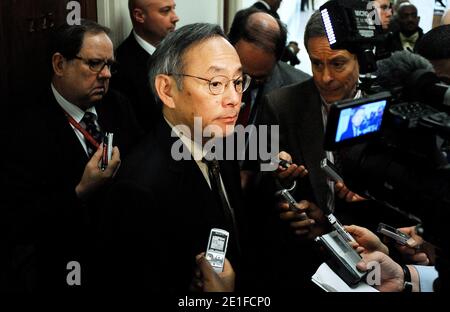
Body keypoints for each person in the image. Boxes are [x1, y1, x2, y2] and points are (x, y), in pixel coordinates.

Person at [95, 23, 252, 292]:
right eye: (215, 84)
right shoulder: (138, 190)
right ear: (167, 90)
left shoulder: (221, 138)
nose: (234, 99)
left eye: (237, 82)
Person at [3, 20, 142, 291]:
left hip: (124, 254)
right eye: (94, 64)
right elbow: (18, 217)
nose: (106, 75)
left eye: (110, 65)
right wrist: (80, 191)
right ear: (59, 64)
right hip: (63, 263)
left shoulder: (119, 105)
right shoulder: (23, 127)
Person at [111, 0, 179, 132]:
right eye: (165, 11)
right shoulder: (120, 66)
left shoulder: (181, 51)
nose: (175, 17)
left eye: (173, 8)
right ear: (139, 16)